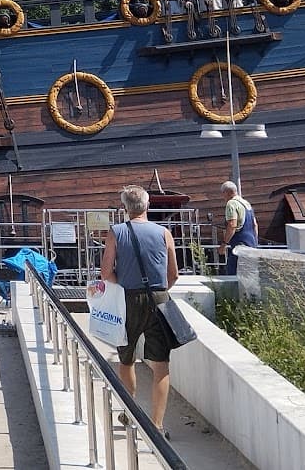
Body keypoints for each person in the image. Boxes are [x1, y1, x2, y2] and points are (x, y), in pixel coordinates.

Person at [100, 184, 180, 434]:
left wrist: (123, 283)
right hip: (159, 298)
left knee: (126, 358)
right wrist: (157, 290)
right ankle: (156, 425)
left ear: (125, 208)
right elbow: (173, 274)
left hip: (128, 299)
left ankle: (130, 413)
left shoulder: (116, 232)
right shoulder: (164, 233)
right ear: (148, 205)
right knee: (161, 364)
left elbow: (105, 273)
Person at [220, 180, 259, 275]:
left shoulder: (231, 204)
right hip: (251, 243)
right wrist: (255, 243)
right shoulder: (246, 203)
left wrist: (224, 244)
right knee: (249, 274)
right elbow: (255, 225)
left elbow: (232, 225)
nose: (223, 197)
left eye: (223, 194)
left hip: (239, 244)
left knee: (233, 274)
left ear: (226, 192)